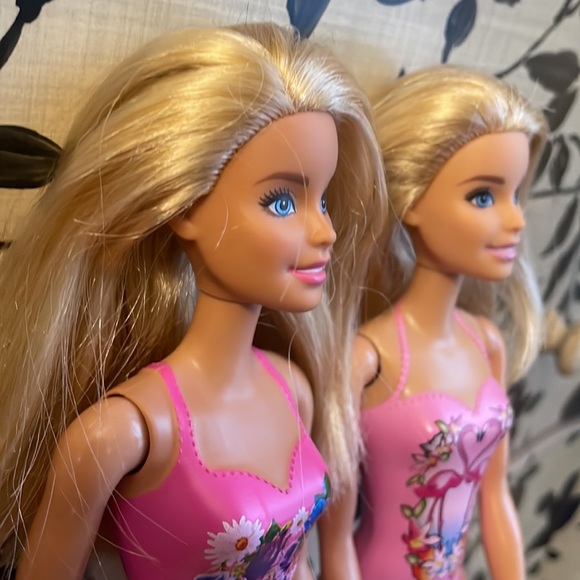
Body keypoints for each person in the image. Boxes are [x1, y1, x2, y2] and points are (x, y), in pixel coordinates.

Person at [0, 23, 387, 580]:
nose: (325, 231)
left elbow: (296, 561)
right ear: (185, 205)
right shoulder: (121, 433)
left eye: (322, 200)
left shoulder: (293, 387)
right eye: (282, 202)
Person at [318, 65, 547, 580]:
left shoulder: (486, 341)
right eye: (483, 196)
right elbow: (335, 543)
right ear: (413, 199)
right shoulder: (369, 359)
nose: (516, 220)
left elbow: (495, 497)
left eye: (515, 195)